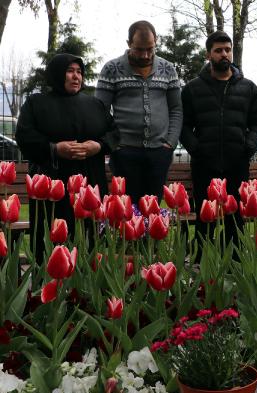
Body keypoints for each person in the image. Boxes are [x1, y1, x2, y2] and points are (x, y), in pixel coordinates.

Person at [16, 53, 117, 262]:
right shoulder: (36, 103)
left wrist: (97, 146)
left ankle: (87, 288)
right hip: (52, 184)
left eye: (79, 72)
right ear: (57, 74)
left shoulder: (95, 105)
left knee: (90, 242)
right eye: (70, 71)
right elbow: (25, 137)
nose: (76, 77)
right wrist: (54, 148)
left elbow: (114, 134)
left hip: (89, 182)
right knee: (53, 240)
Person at [180, 31, 257, 251]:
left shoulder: (247, 87)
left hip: (236, 163)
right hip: (204, 164)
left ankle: (235, 263)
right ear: (208, 54)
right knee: (205, 216)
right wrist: (196, 148)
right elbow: (182, 124)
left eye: (227, 50)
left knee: (235, 217)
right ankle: (203, 262)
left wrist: (248, 146)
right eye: (218, 50)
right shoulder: (192, 89)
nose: (224, 54)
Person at [95, 20, 182, 204]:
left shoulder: (168, 69)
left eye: (150, 49)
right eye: (139, 49)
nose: (145, 55)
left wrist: (170, 143)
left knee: (152, 211)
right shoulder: (112, 69)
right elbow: (99, 111)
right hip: (124, 152)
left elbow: (176, 108)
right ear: (128, 43)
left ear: (156, 41)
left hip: (160, 152)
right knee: (126, 210)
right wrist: (114, 144)